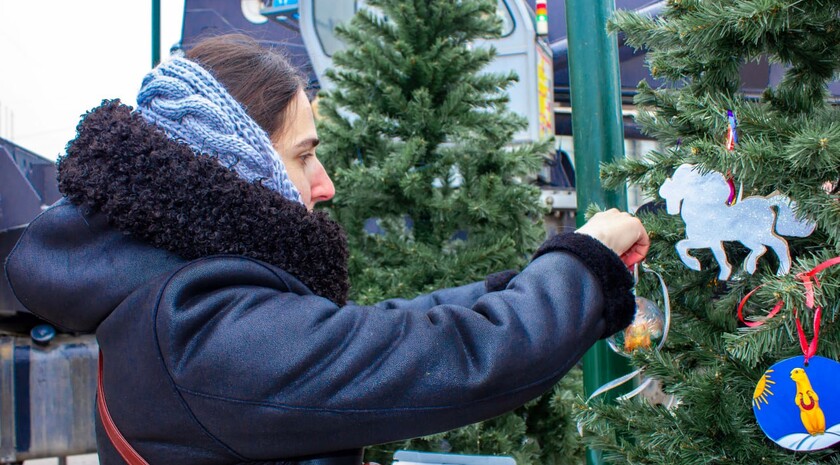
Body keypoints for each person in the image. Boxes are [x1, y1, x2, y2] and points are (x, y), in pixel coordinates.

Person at [5, 34, 648, 465]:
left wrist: (536, 275)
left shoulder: (173, 295)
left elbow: (387, 329)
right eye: (305, 155)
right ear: (236, 164)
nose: (326, 183)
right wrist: (583, 263)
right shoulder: (195, 328)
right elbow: (453, 357)